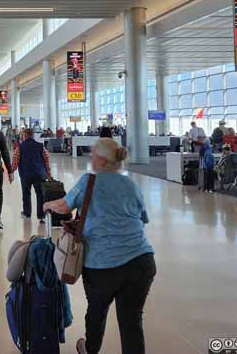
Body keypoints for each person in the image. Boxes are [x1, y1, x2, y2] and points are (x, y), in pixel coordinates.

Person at [44, 138, 155, 354]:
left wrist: (48, 204)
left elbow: (64, 206)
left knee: (97, 311)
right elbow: (142, 219)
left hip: (102, 264)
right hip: (142, 261)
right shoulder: (131, 184)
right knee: (131, 320)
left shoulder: (89, 181)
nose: (90, 157)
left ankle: (90, 349)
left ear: (102, 161)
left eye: (93, 154)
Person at [11, 128, 52, 222]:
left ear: (25, 136)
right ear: (33, 136)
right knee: (40, 195)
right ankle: (41, 216)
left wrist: (11, 172)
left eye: (22, 135)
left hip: (25, 175)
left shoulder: (20, 148)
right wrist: (48, 174)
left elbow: (15, 162)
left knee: (26, 194)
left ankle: (27, 214)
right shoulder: (40, 146)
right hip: (39, 174)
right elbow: (46, 160)